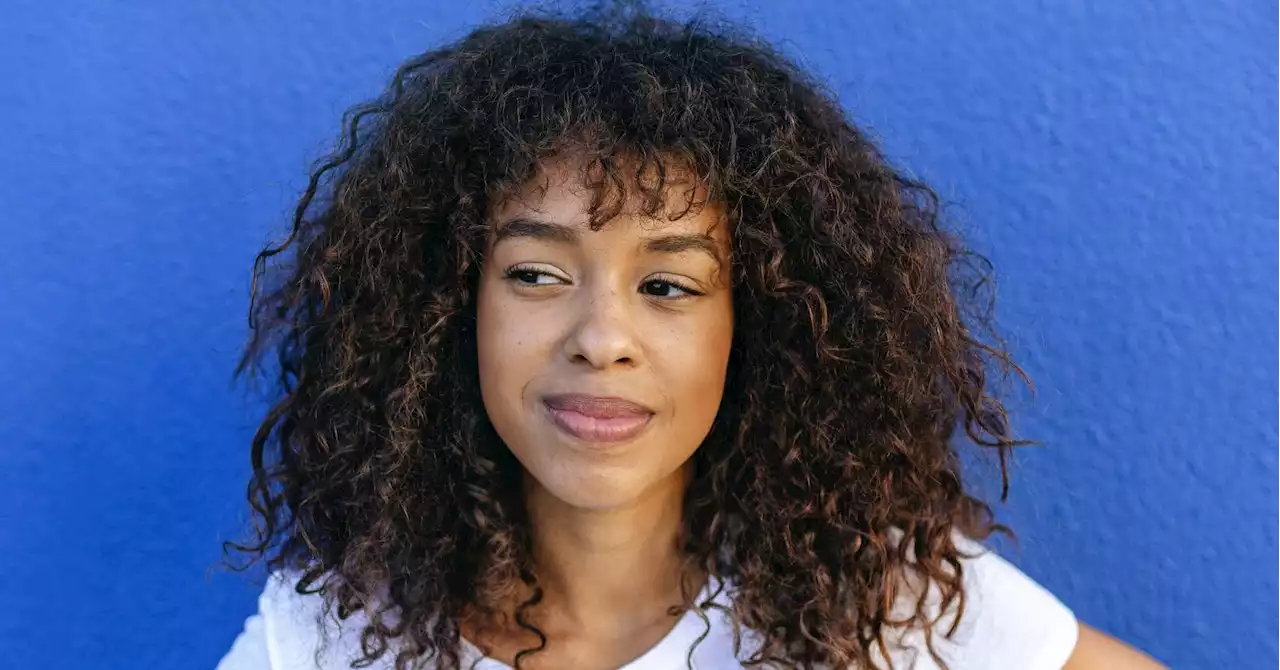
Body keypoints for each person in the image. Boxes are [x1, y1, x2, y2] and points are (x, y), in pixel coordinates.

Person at [216, 2, 1164, 668]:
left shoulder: (882, 611)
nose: (602, 338)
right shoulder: (329, 640)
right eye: (537, 275)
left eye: (669, 284)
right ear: (445, 307)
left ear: (756, 330)